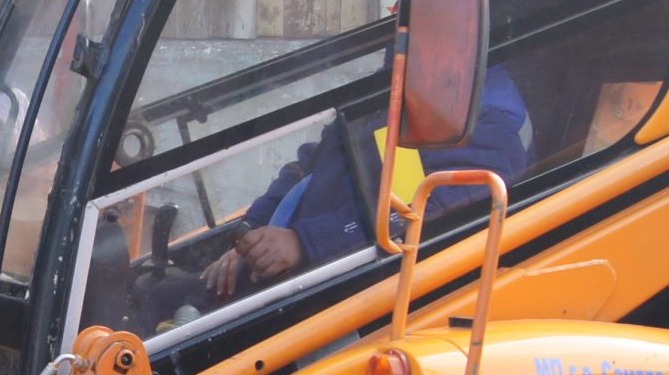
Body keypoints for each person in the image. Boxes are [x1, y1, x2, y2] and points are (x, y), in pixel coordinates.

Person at [202, 66, 534, 299]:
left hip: (355, 288)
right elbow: (311, 164)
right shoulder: (398, 92)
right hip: (301, 265)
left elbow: (421, 214)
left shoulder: (482, 124)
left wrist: (304, 242)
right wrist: (253, 231)